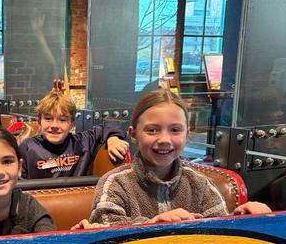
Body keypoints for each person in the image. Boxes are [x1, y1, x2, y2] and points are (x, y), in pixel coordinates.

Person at [74, 88, 271, 229]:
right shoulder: (116, 182)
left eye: (175, 130)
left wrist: (242, 218)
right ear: (133, 134)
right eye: (152, 130)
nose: (165, 140)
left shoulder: (200, 184)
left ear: (187, 134)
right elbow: (105, 230)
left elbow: (220, 232)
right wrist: (154, 225)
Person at [19, 81, 129, 179]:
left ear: (72, 124)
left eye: (62, 120)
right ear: (39, 122)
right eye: (48, 119)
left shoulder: (84, 142)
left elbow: (110, 124)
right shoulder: (27, 147)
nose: (54, 125)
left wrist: (113, 138)